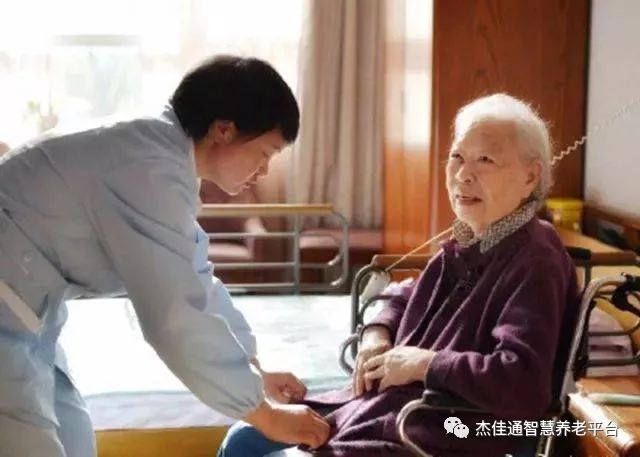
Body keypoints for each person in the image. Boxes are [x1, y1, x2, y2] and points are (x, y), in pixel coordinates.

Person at [0, 55, 330, 457]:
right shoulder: (150, 167)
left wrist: (255, 372)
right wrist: (267, 417)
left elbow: (197, 281)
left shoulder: (164, 158)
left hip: (28, 313)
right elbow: (175, 318)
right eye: (266, 153)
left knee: (72, 436)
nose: (263, 171)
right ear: (224, 130)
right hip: (9, 307)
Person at [217, 93, 580, 457]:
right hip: (385, 411)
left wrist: (424, 364)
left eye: (485, 160)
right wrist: (377, 334)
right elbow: (406, 294)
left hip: (433, 431)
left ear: (530, 176)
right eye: (457, 157)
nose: (462, 174)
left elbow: (522, 380)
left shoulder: (536, 260)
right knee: (243, 438)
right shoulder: (473, 239)